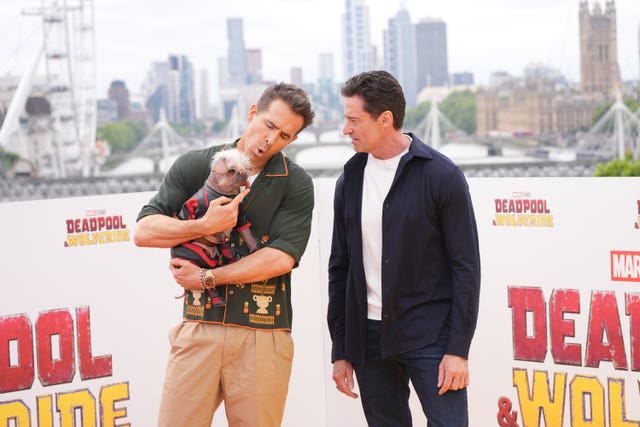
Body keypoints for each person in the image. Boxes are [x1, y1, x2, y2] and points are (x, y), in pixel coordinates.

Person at [134, 82, 315, 427]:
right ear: (252, 114)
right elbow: (144, 231)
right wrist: (202, 225)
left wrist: (207, 277)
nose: (270, 140)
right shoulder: (195, 164)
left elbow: (280, 258)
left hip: (263, 334)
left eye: (284, 136)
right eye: (269, 125)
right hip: (200, 326)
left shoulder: (295, 182)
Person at [327, 70, 481, 427]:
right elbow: (340, 269)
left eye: (353, 120)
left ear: (385, 120)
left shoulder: (442, 176)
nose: (345, 129)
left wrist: (458, 349)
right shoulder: (349, 181)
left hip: (432, 335)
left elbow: (466, 270)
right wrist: (342, 350)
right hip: (368, 340)